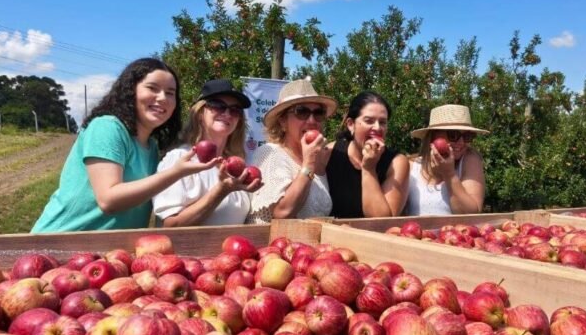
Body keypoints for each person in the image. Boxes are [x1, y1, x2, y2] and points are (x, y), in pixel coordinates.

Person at [32, 58, 210, 232]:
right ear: (130, 90)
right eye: (152, 88)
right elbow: (108, 200)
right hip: (60, 241)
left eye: (170, 93)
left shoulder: (151, 147)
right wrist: (176, 172)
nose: (163, 97)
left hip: (110, 249)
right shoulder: (107, 127)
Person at [153, 79, 261, 227]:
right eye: (218, 106)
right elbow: (171, 225)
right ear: (200, 113)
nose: (227, 113)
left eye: (235, 110)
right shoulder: (181, 159)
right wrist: (220, 192)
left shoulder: (236, 166)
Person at [246, 79, 336, 223]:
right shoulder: (270, 154)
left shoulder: (318, 160)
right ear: (282, 121)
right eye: (301, 112)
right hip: (271, 238)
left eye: (319, 113)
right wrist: (309, 164)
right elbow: (283, 212)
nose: (312, 120)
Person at [325, 91, 409, 218]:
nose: (377, 128)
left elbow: (382, 221)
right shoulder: (330, 153)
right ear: (351, 124)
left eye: (382, 122)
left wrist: (369, 169)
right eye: (369, 121)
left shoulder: (396, 163)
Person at [404, 104, 488, 215]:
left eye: (467, 136)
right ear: (433, 135)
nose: (461, 142)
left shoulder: (469, 160)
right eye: (453, 135)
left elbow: (470, 214)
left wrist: (449, 175)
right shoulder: (411, 167)